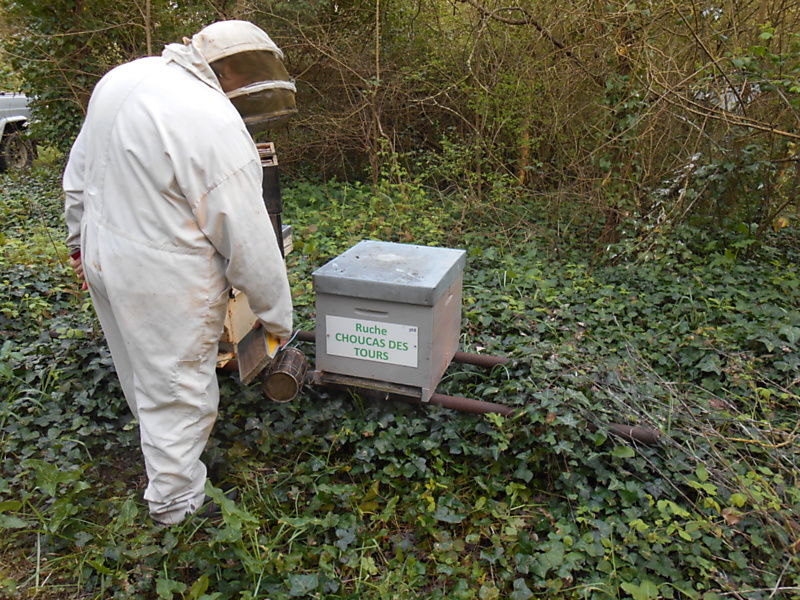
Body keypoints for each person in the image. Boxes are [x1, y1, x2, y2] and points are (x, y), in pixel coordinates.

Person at [63, 21, 294, 525]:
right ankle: (174, 507)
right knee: (179, 390)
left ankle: (161, 457)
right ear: (229, 70)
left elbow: (79, 172)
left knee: (139, 369)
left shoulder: (125, 78)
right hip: (164, 279)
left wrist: (79, 244)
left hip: (107, 254)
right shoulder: (212, 120)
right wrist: (278, 318)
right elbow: (250, 242)